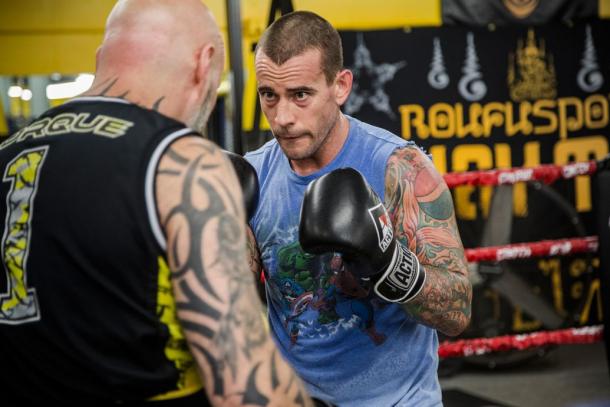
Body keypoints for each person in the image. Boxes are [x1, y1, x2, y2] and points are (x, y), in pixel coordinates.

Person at [0, 1, 312, 405]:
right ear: (204, 64)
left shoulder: (9, 152)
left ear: (102, 58)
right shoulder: (181, 162)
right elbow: (249, 391)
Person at [245, 10, 472, 406]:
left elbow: (457, 312)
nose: (282, 118)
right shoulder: (253, 178)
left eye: (300, 95)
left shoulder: (398, 169)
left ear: (340, 85)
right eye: (269, 95)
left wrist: (388, 264)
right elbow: (233, 312)